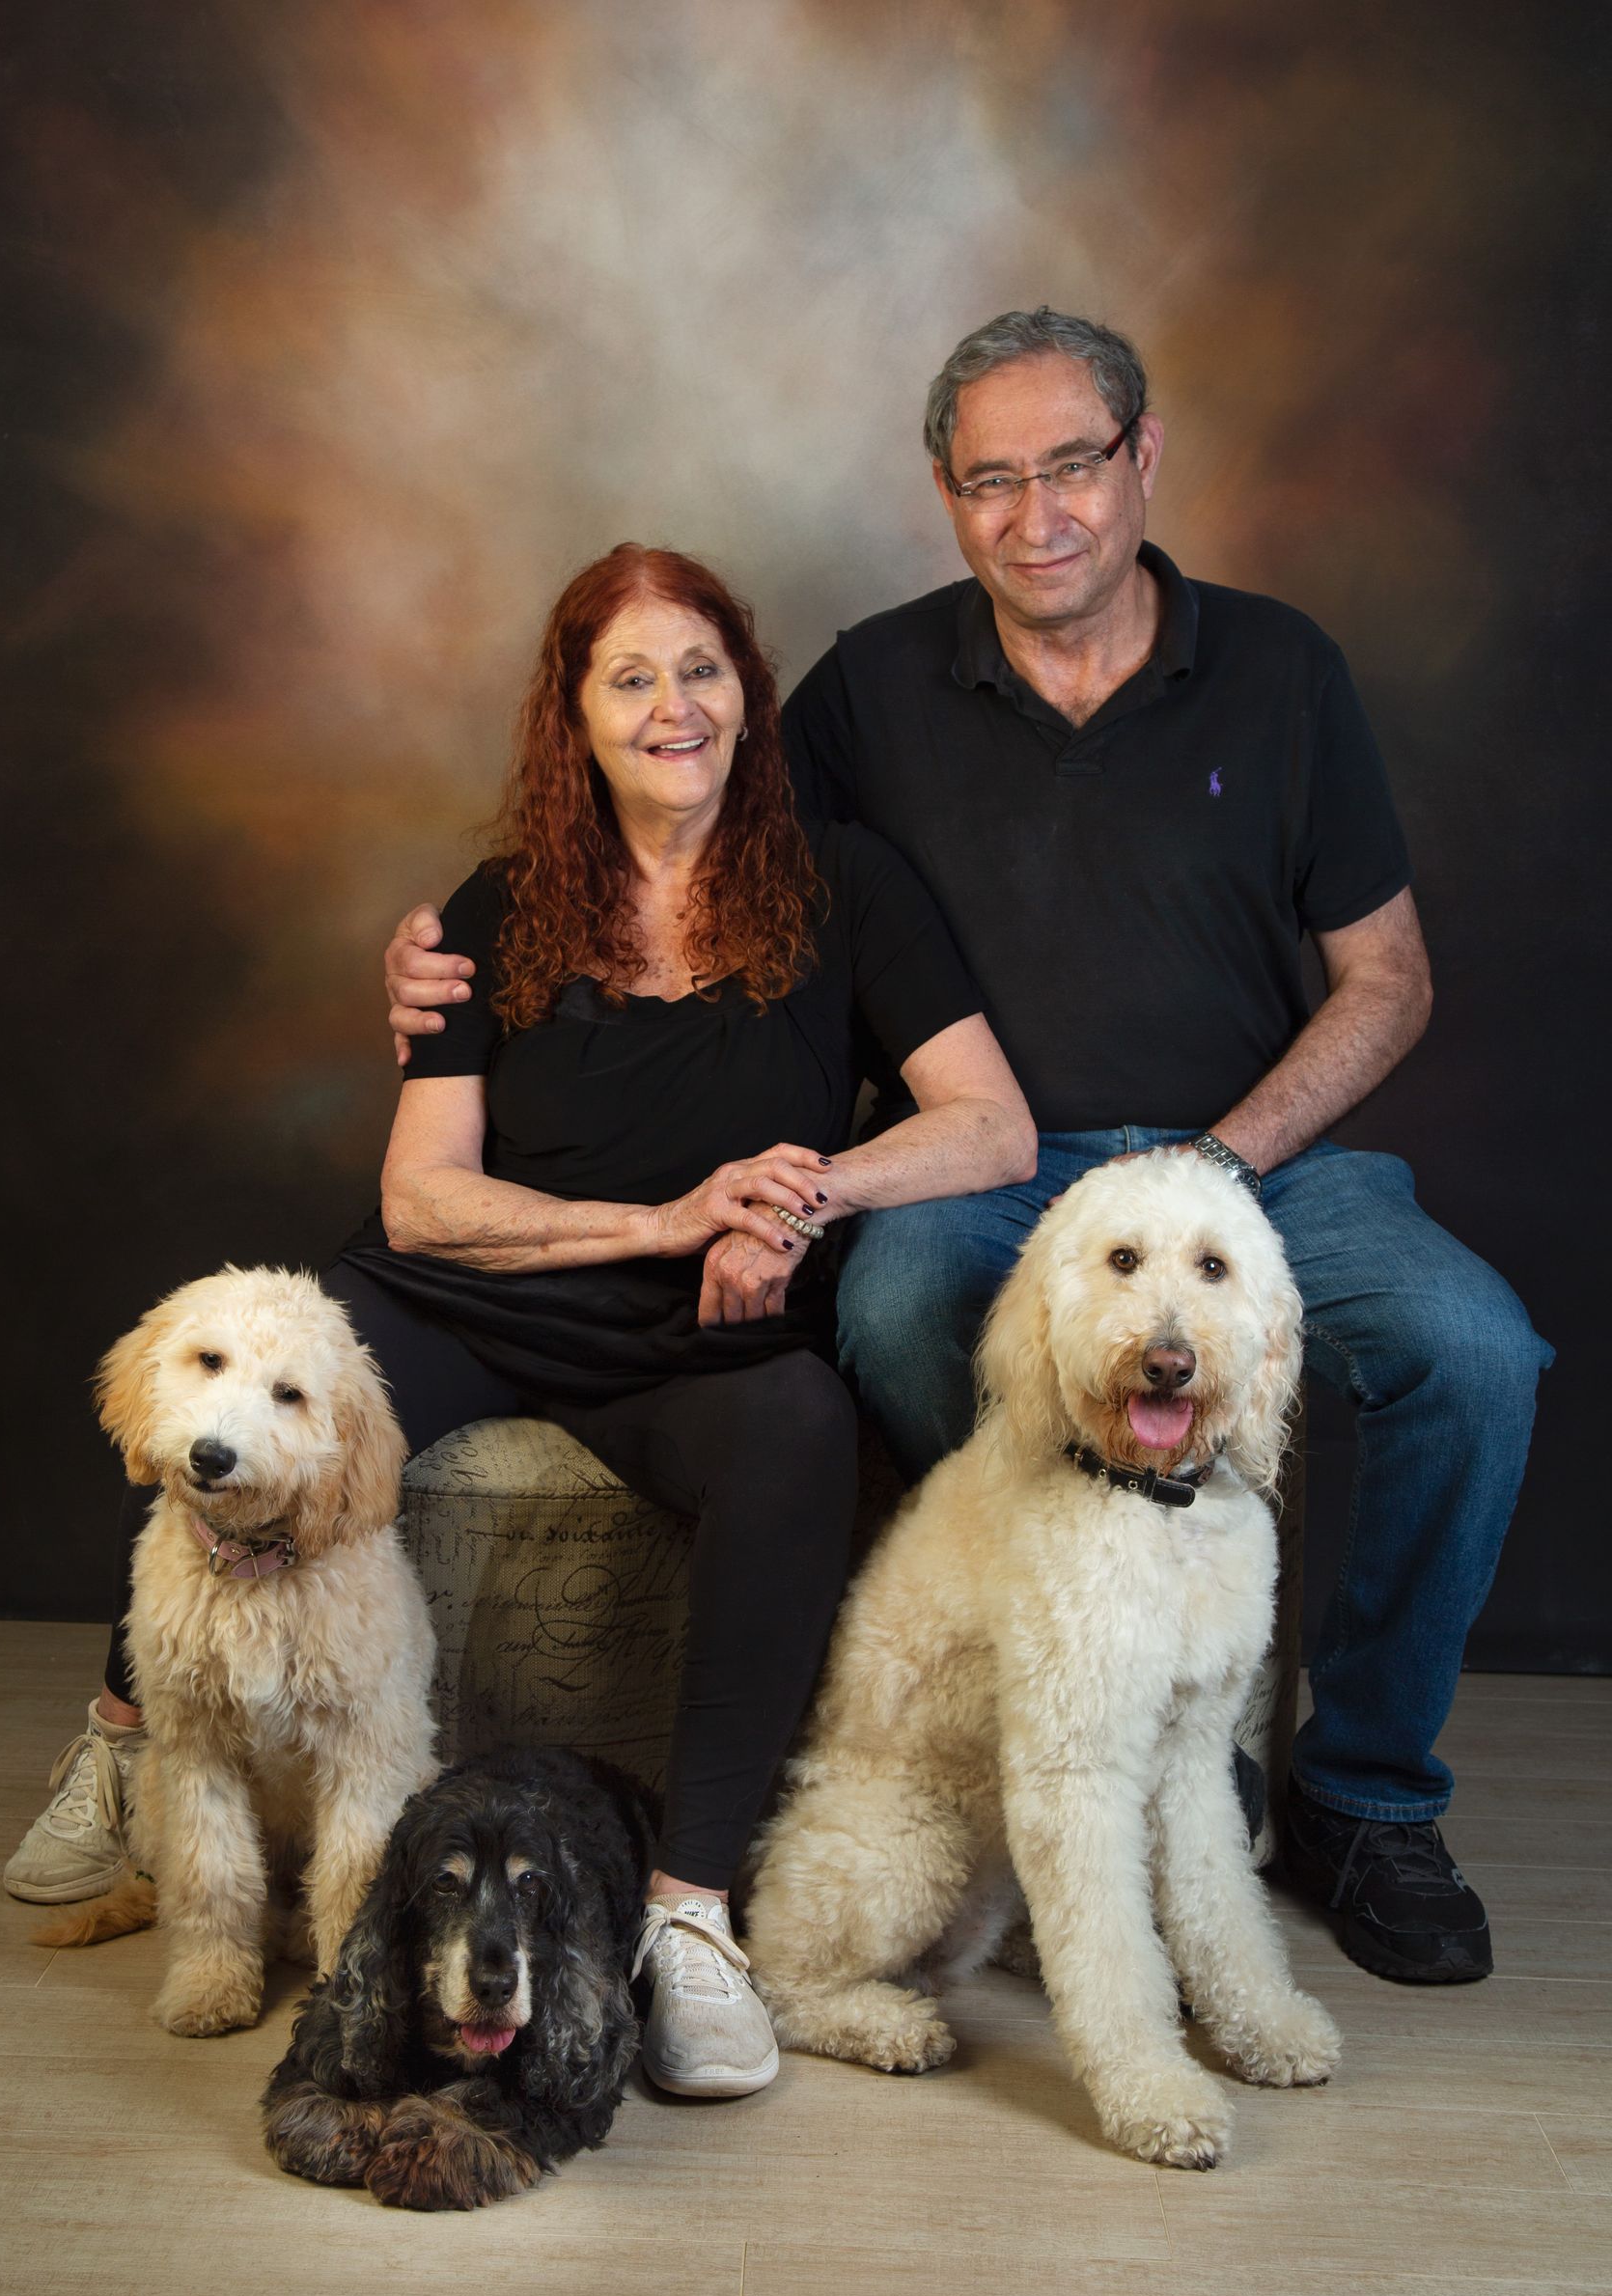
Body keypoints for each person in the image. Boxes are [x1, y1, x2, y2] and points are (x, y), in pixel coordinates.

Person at [389, 311, 1550, 1990]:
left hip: (1260, 1164)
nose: (1037, 513)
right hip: (991, 1172)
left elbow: (1390, 979)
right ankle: (1073, 1703)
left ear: (1143, 457)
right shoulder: (871, 688)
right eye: (992, 480)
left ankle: (1364, 1792)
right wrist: (451, 960)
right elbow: (685, 833)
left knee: (1475, 1351)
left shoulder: (1283, 669)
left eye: (1073, 463)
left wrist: (1219, 1171)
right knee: (895, 1307)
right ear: (946, 497)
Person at [6, 541, 1036, 2097]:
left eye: (703, 669)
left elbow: (992, 1125)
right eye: (631, 678)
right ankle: (125, 1733)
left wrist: (798, 1196)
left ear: (749, 697)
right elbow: (423, 1197)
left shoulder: (847, 884)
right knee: (275, 1365)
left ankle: (692, 1916)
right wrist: (665, 1215)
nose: (674, 705)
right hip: (484, 1295)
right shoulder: (506, 903)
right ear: (577, 717)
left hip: (700, 1333)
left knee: (800, 1425)